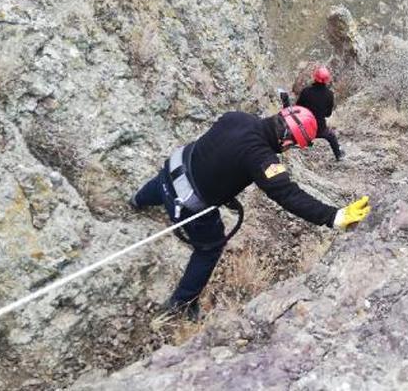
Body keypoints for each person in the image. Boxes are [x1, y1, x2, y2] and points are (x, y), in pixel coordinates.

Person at [130, 105, 370, 321]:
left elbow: (220, 152)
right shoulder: (261, 158)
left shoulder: (238, 117)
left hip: (171, 171)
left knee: (161, 185)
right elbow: (288, 194)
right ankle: (181, 304)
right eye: (294, 145)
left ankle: (138, 200)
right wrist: (333, 216)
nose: (290, 149)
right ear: (287, 141)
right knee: (210, 248)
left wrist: (225, 189)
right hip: (185, 202)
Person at [296, 66, 344, 160]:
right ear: (327, 80)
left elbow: (298, 108)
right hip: (319, 128)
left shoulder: (306, 91)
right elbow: (328, 114)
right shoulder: (329, 94)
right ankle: (338, 155)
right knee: (331, 136)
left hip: (304, 127)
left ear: (315, 77)